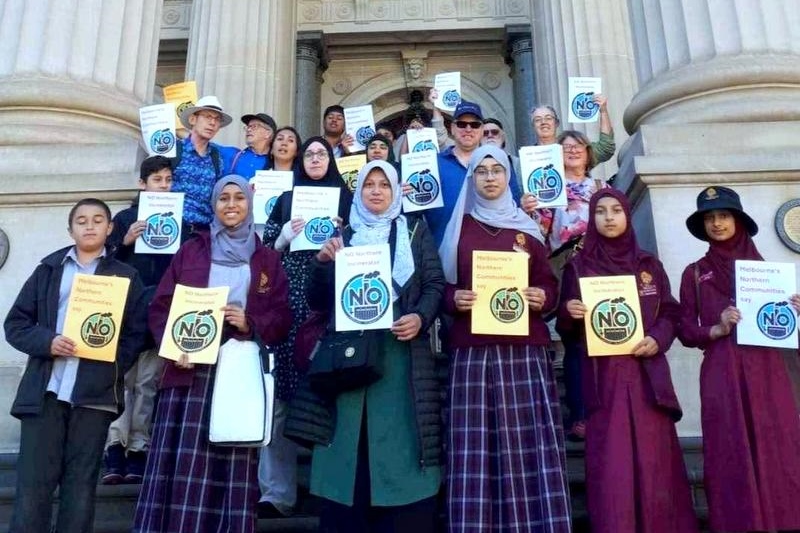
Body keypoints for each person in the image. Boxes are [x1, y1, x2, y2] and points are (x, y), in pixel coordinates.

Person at [133, 175, 291, 533]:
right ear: (214, 205)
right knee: (183, 467)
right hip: (189, 370)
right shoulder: (191, 250)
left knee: (232, 464)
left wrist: (250, 321)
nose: (231, 204)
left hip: (238, 373)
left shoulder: (267, 259)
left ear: (250, 205)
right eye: (224, 198)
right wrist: (172, 347)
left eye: (238, 198)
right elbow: (161, 306)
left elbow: (282, 317)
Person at [305, 160, 445, 532]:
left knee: (399, 442)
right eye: (370, 185)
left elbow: (434, 285)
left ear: (396, 190)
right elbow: (317, 301)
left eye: (385, 184)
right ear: (360, 191)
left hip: (401, 358)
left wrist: (420, 318)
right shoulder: (345, 235)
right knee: (351, 446)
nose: (378, 191)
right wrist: (322, 263)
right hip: (348, 361)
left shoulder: (415, 231)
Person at [439, 145, 571, 532]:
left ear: (508, 177)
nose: (491, 177)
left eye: (498, 170)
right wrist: (453, 299)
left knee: (528, 445)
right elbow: (439, 286)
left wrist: (543, 296)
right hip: (473, 349)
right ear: (472, 179)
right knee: (474, 448)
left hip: (524, 347)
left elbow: (548, 282)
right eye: (482, 171)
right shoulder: (457, 229)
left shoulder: (526, 228)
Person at [556, 189, 698, 533]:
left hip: (648, 378)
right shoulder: (578, 265)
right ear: (592, 219)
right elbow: (565, 326)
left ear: (626, 215)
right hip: (603, 379)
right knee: (613, 471)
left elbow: (670, 311)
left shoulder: (648, 264)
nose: (608, 218)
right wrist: (570, 312)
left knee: (656, 467)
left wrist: (658, 338)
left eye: (615, 210)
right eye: (600, 212)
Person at [4, 198, 146, 533]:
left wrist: (109, 361)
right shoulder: (48, 270)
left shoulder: (126, 277)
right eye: (81, 220)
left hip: (94, 396)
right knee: (32, 486)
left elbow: (137, 333)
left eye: (98, 219)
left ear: (110, 229)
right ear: (70, 229)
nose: (90, 225)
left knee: (80, 488)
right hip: (45, 393)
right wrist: (47, 342)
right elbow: (16, 324)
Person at [678, 186, 800, 533]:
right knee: (729, 448)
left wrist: (797, 314)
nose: (717, 223)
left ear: (738, 220)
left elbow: (789, 336)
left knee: (778, 445)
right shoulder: (695, 273)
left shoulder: (771, 274)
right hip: (722, 371)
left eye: (724, 215)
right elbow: (685, 329)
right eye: (710, 218)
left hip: (769, 371)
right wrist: (715, 329)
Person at [258, 136, 353, 517]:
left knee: (327, 396)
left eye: (322, 153)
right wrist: (282, 235)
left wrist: (343, 236)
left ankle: (327, 484)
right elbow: (264, 253)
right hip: (287, 306)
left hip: (328, 306)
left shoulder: (347, 200)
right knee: (280, 400)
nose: (315, 158)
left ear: (331, 161)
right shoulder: (285, 200)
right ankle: (276, 492)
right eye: (309, 153)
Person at [524, 129, 608, 441]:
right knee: (574, 341)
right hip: (566, 268)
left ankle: (607, 408)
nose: (571, 151)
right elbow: (539, 232)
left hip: (601, 269)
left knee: (604, 337)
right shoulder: (548, 190)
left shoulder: (601, 186)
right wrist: (529, 210)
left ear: (588, 153)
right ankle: (580, 414)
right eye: (565, 147)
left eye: (577, 146)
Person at [101, 156, 175, 485]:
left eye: (168, 180)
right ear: (142, 184)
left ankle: (139, 447)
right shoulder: (125, 218)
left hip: (159, 311)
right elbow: (103, 261)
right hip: (127, 311)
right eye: (157, 180)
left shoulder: (179, 217)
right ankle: (115, 446)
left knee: (148, 384)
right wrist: (123, 241)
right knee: (123, 382)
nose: (163, 185)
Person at [173, 95, 232, 234]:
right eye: (207, 117)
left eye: (217, 119)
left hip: (203, 233)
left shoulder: (217, 157)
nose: (212, 123)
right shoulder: (175, 150)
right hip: (173, 229)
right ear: (193, 119)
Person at [531, 99, 615, 167]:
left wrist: (603, 111)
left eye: (548, 118)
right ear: (533, 126)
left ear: (557, 123)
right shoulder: (528, 157)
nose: (543, 122)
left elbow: (605, 149)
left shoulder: (573, 151)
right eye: (537, 120)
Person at [219, 112, 277, 177]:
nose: (249, 130)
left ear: (268, 133)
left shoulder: (276, 162)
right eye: (248, 127)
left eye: (254, 126)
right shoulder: (231, 154)